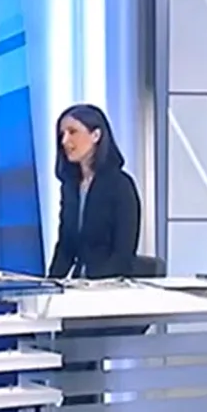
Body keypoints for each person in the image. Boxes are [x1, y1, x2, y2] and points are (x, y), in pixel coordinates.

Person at [47, 104, 141, 280]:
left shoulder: (120, 185)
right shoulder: (70, 187)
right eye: (62, 134)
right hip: (78, 286)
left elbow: (123, 254)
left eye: (73, 132)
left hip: (109, 287)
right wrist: (50, 284)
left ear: (96, 135)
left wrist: (93, 284)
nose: (65, 141)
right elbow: (66, 247)